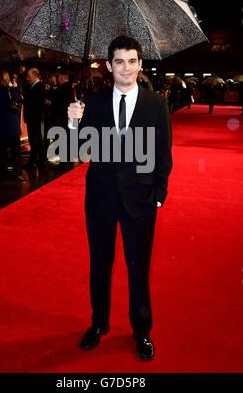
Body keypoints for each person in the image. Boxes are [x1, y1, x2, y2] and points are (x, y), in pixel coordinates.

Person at [68, 36, 172, 360]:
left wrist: (158, 196)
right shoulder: (94, 103)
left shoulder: (156, 104)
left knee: (138, 268)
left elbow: (162, 155)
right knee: (100, 264)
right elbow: (77, 151)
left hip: (140, 201)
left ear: (140, 65)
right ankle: (99, 323)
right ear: (109, 66)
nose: (125, 68)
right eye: (119, 61)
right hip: (99, 198)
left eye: (131, 61)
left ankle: (142, 330)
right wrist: (73, 121)